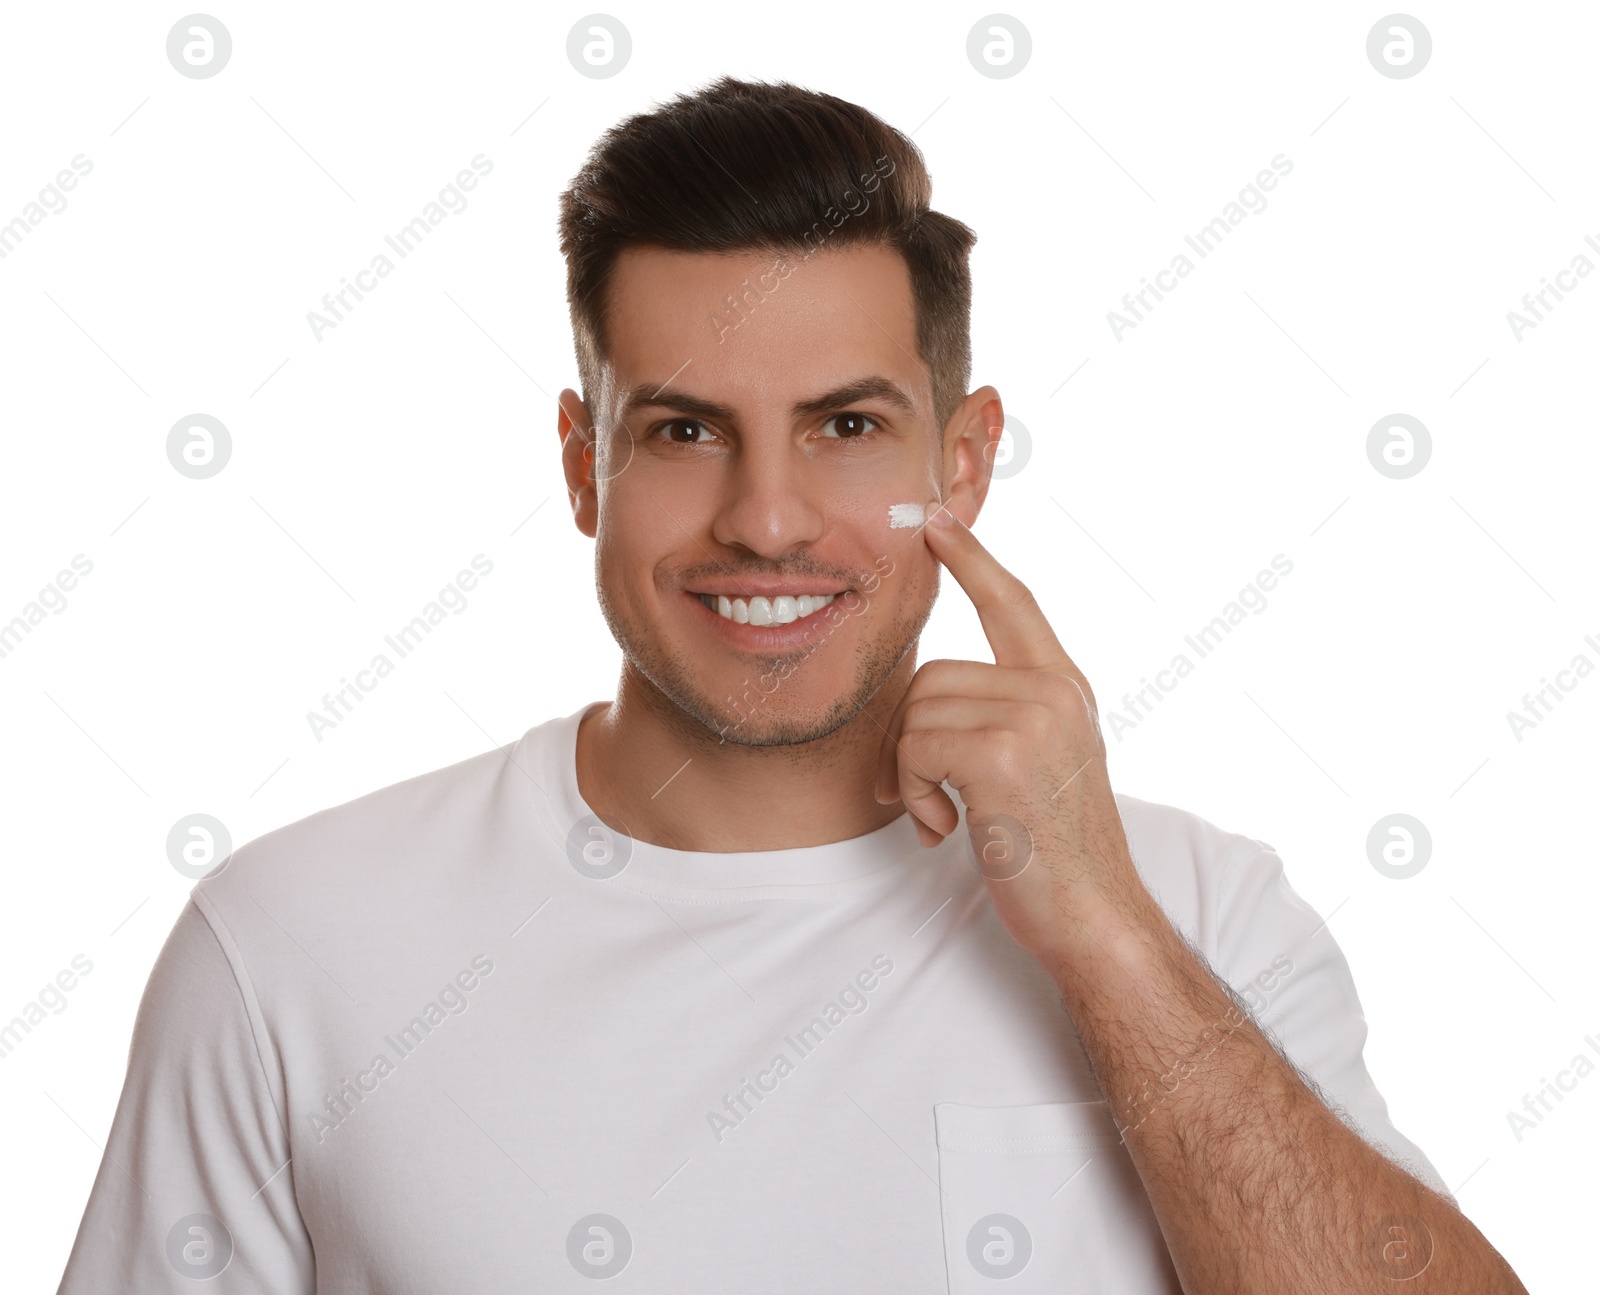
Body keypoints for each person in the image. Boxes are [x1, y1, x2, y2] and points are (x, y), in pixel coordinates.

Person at [58, 75, 1526, 1292]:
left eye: (844, 425)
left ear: (962, 461)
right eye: (687, 432)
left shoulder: (1196, 913)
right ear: (586, 465)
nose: (766, 518)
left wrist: (1106, 940)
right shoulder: (293, 948)